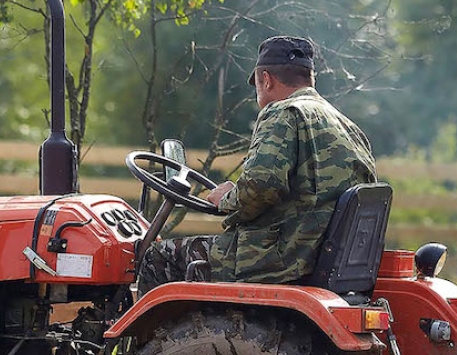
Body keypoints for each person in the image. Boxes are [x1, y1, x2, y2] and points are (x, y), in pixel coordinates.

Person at [136, 36, 377, 291]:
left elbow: (263, 185)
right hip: (319, 259)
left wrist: (226, 198)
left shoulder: (283, 113)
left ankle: (134, 332)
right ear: (310, 78)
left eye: (258, 84)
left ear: (266, 79)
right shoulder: (349, 128)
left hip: (276, 260)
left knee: (156, 257)